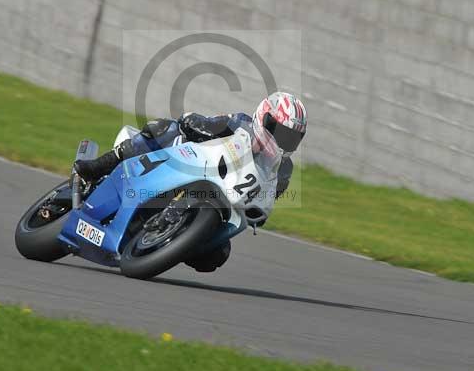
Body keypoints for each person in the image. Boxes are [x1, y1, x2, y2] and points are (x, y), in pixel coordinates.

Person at [73, 92, 307, 272]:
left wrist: (259, 211)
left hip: (220, 201)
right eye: (279, 131)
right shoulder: (239, 123)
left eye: (290, 137)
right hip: (187, 164)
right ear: (263, 117)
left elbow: (265, 202)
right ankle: (97, 168)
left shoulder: (283, 170)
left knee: (217, 256)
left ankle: (169, 242)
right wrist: (196, 126)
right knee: (164, 128)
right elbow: (198, 122)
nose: (281, 140)